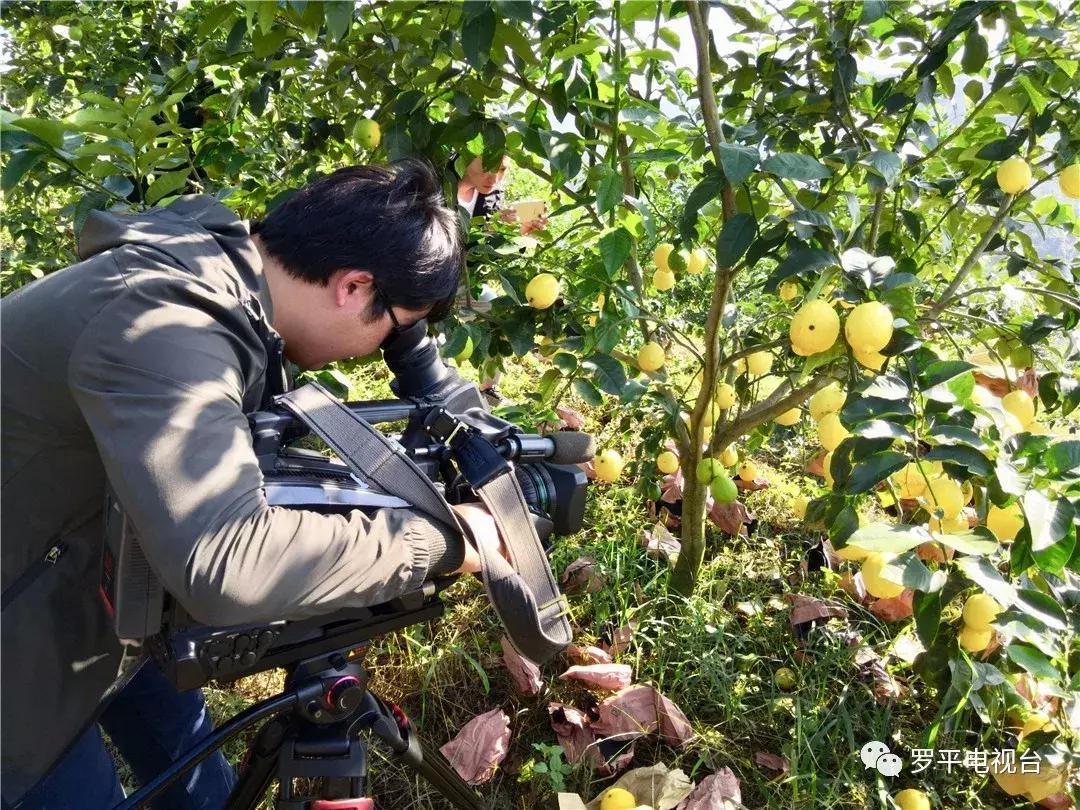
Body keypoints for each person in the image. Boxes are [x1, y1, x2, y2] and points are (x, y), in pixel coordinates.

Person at [0, 160, 507, 809]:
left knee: (201, 789)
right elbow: (223, 557)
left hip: (85, 588)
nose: (381, 346)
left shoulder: (233, 298)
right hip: (22, 638)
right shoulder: (168, 325)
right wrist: (439, 542)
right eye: (394, 325)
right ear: (353, 287)